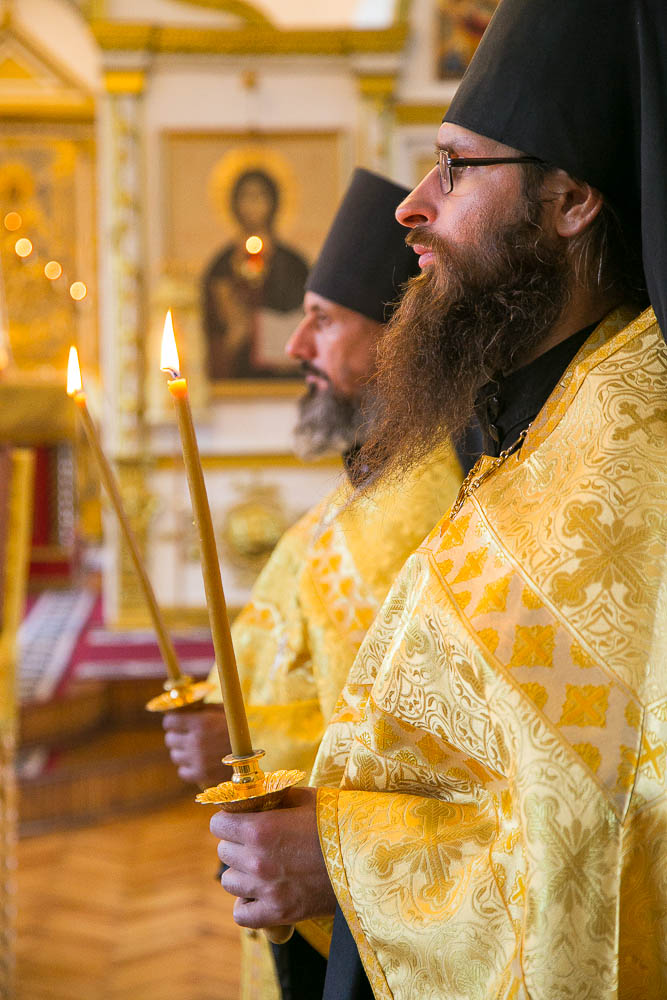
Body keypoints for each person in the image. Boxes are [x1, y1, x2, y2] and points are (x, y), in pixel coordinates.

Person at [209, 2, 667, 997]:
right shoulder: (532, 424)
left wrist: (344, 863)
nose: (412, 206)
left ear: (571, 201)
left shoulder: (638, 454)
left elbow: (632, 835)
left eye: (454, 168)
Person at [165, 169, 472, 999]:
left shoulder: (432, 504)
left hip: (374, 898)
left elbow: (394, 735)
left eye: (322, 320)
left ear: (399, 333)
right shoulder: (373, 480)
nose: (295, 347)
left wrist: (240, 740)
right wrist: (221, 720)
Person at [203, 168, 309, 380]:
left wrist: (255, 325)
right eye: (245, 196)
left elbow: (302, 315)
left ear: (273, 202)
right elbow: (212, 326)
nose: (252, 204)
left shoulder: (292, 263)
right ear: (234, 204)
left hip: (281, 377)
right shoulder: (222, 264)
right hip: (234, 374)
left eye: (260, 196)